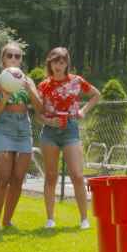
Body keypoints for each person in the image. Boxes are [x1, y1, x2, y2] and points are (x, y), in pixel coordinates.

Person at [37, 47, 100, 229]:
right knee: (50, 176)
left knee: (77, 175)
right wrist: (50, 122)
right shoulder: (43, 86)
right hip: (50, 132)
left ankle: (84, 219)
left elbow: (96, 95)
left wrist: (82, 111)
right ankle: (50, 219)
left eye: (62, 62)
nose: (59, 65)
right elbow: (38, 115)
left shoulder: (76, 81)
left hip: (71, 129)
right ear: (50, 63)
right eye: (55, 61)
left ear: (67, 64)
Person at [0, 42, 42, 231]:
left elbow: (40, 108)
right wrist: (6, 97)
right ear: (2, 59)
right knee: (3, 177)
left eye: (18, 56)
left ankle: (7, 221)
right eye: (10, 55)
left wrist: (30, 90)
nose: (14, 59)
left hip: (23, 128)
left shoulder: (27, 81)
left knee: (18, 178)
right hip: (3, 128)